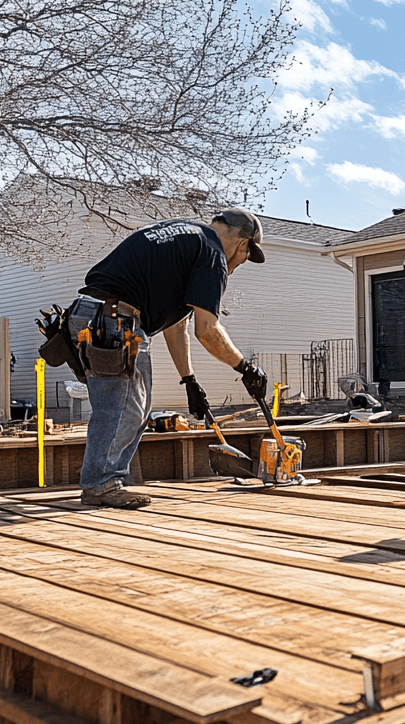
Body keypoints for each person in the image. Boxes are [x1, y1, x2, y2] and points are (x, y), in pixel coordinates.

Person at [70, 208, 270, 509]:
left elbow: (177, 325)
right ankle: (101, 485)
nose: (240, 263)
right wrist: (245, 367)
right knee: (125, 407)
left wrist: (189, 379)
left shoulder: (187, 236)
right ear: (244, 245)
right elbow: (208, 330)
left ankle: (103, 482)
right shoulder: (213, 254)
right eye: (245, 258)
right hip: (115, 321)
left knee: (130, 405)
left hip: (92, 314)